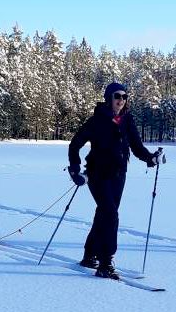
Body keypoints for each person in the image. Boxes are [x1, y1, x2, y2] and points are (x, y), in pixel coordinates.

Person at [68, 82, 163, 280]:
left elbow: (137, 146)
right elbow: (75, 144)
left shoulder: (127, 120)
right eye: (117, 96)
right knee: (110, 214)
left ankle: (89, 254)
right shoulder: (96, 120)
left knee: (105, 213)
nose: (121, 100)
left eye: (124, 97)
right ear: (109, 98)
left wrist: (150, 158)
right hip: (97, 174)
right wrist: (75, 169)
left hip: (119, 175)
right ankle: (106, 261)